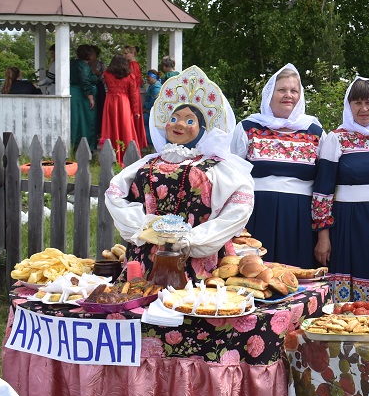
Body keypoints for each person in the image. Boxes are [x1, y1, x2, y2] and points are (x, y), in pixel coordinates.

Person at [106, 65, 254, 282]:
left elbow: (240, 206)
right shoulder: (146, 164)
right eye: (174, 118)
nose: (180, 124)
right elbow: (114, 194)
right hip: (145, 260)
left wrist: (195, 239)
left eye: (190, 120)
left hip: (195, 262)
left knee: (193, 310)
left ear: (204, 129)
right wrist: (140, 225)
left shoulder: (216, 167)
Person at [313, 77, 369, 306]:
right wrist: (323, 237)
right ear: (348, 106)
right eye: (357, 103)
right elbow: (323, 191)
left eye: (368, 102)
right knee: (345, 302)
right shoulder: (336, 138)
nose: (363, 109)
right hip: (347, 225)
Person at [231, 64, 323, 267]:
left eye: (293, 91)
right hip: (257, 214)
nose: (288, 95)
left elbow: (324, 182)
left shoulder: (315, 131)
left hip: (300, 218)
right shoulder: (248, 128)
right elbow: (231, 176)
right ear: (269, 94)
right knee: (256, 276)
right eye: (281, 90)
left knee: (296, 276)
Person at [99, 55, 146, 165]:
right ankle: (127, 155)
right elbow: (133, 95)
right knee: (126, 127)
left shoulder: (106, 74)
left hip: (110, 101)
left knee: (111, 127)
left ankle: (111, 155)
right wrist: (136, 111)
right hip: (124, 102)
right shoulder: (130, 76)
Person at [69, 45, 98, 150]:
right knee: (86, 120)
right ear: (89, 55)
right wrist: (90, 97)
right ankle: (86, 146)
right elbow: (84, 81)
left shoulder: (74, 64)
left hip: (75, 94)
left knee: (76, 120)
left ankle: (75, 144)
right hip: (82, 96)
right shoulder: (84, 66)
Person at [123, 45, 147, 145]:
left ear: (132, 53)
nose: (124, 55)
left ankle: (133, 139)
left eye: (126, 53)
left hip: (132, 91)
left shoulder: (132, 65)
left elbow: (132, 81)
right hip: (135, 91)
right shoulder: (135, 64)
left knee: (132, 114)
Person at [142, 69, 162, 148]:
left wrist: (145, 108)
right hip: (150, 111)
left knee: (143, 120)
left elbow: (154, 101)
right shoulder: (153, 86)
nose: (147, 79)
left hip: (152, 112)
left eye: (148, 77)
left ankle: (149, 142)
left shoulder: (156, 87)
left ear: (154, 77)